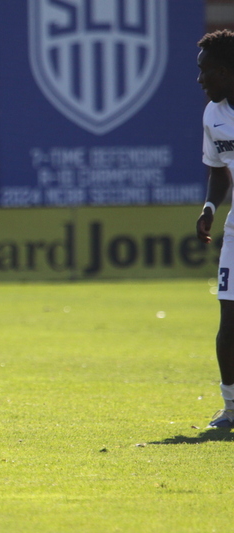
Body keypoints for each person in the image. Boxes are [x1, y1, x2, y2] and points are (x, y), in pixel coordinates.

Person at [196, 29, 234, 428]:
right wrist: (209, 207)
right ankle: (231, 408)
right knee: (230, 318)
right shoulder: (213, 114)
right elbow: (219, 171)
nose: (200, 79)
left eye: (205, 71)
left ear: (226, 70)